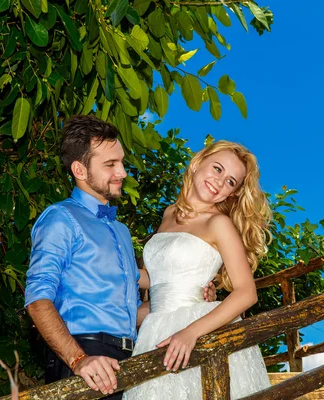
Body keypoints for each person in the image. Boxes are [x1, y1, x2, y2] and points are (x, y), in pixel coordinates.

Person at [24, 115, 215, 399]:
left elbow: (133, 313)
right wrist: (78, 360)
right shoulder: (60, 218)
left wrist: (189, 296)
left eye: (121, 162)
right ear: (79, 169)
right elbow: (38, 300)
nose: (123, 172)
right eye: (110, 164)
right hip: (83, 358)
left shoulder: (121, 232)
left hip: (130, 359)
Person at [123, 140, 272, 399]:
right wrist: (114, 272)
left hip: (197, 329)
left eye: (230, 182)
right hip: (155, 327)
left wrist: (190, 333)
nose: (220, 181)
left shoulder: (219, 223)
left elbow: (247, 293)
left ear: (232, 194)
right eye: (217, 169)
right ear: (197, 163)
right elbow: (158, 279)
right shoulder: (169, 214)